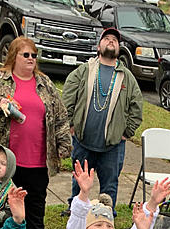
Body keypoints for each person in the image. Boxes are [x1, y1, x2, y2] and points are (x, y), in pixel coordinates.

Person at [0, 37, 71, 229]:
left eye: (34, 55)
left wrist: (63, 143)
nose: (31, 59)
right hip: (7, 153)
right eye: (25, 54)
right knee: (5, 193)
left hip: (38, 154)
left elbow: (60, 114)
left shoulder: (44, 83)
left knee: (37, 194)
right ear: (14, 56)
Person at [63, 27, 143, 215]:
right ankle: (75, 210)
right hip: (83, 141)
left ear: (118, 49)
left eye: (114, 40)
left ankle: (106, 214)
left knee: (110, 182)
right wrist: (71, 125)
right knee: (79, 179)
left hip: (112, 145)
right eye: (106, 38)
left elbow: (137, 106)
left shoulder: (127, 77)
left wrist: (126, 132)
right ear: (99, 47)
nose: (111, 41)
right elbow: (67, 97)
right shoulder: (84, 71)